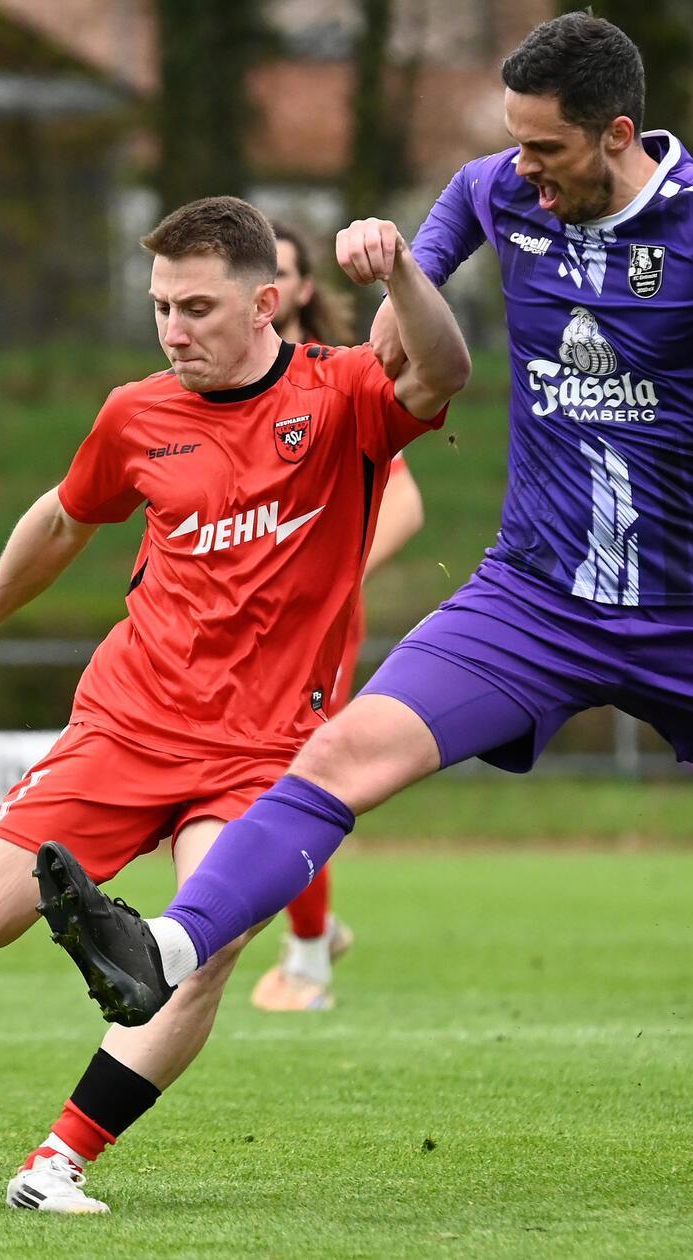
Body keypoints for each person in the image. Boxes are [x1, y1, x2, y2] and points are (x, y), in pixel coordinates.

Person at [38, 12, 693, 1194]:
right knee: (341, 754)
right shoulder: (498, 191)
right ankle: (165, 945)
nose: (522, 171)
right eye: (515, 146)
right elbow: (414, 312)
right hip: (534, 598)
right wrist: (391, 276)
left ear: (618, 134)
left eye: (546, 150)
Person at [0, 196, 469, 1214]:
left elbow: (443, 372)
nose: (173, 329)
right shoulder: (136, 415)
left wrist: (402, 277)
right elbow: (63, 520)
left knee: (205, 945)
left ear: (267, 303)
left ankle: (56, 1162)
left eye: (196, 307)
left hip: (265, 753)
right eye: (160, 306)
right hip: (126, 728)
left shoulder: (339, 397)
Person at [252, 224, 428, 1011]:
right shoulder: (217, 377)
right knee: (260, 770)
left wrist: (334, 572)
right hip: (243, 616)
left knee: (294, 765)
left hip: (313, 622)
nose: (274, 286)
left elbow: (405, 500)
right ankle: (312, 930)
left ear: (298, 288)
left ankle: (309, 957)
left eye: (285, 271)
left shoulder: (335, 379)